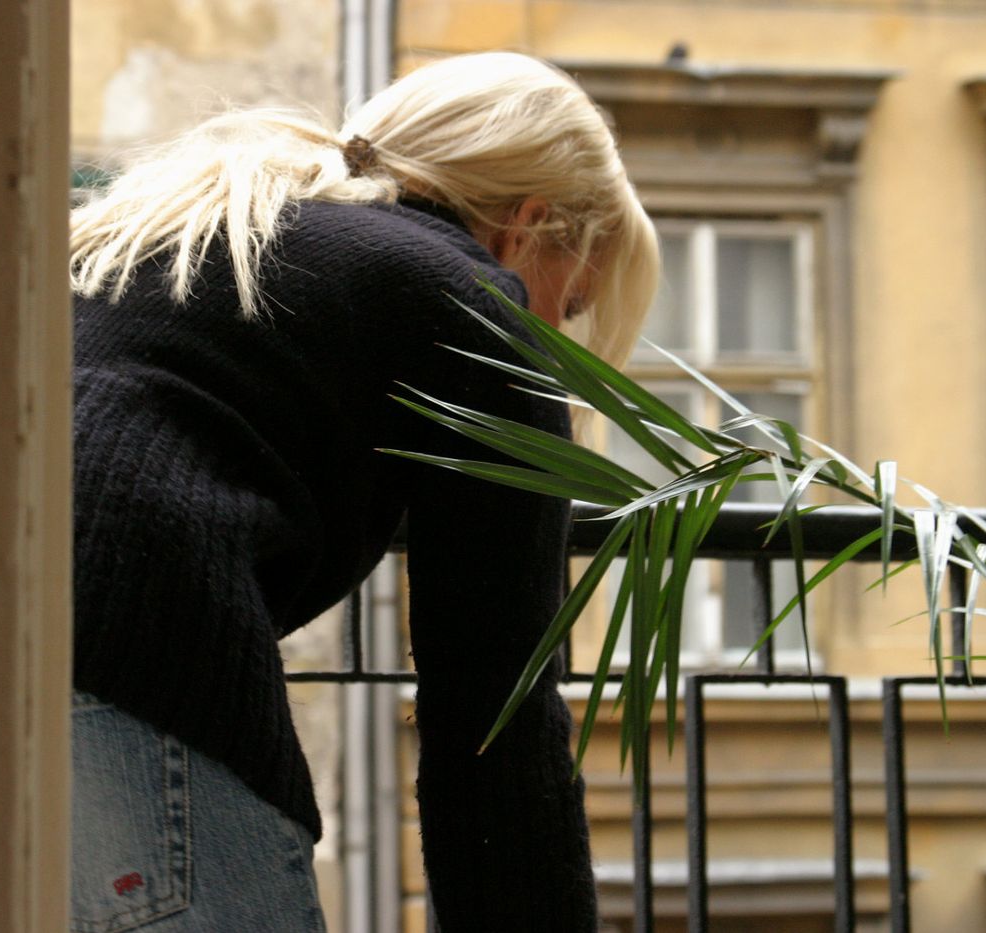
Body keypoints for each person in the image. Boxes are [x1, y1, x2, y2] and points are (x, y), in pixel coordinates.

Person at [67, 51, 658, 931]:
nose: (555, 340)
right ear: (527, 225)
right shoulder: (469, 301)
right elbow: (495, 717)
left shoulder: (198, 220)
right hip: (121, 686)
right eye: (570, 305)